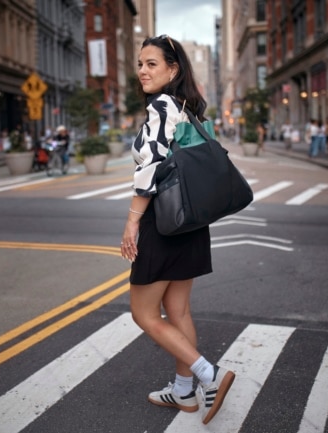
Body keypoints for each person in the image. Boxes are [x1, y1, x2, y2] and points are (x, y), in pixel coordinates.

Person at [119, 34, 235, 426]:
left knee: (143, 313)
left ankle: (209, 374)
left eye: (152, 63)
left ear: (173, 69)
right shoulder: (192, 108)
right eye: (140, 64)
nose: (142, 71)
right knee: (178, 309)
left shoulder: (162, 106)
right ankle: (184, 391)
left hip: (163, 222)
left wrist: (132, 221)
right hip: (191, 222)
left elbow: (149, 169)